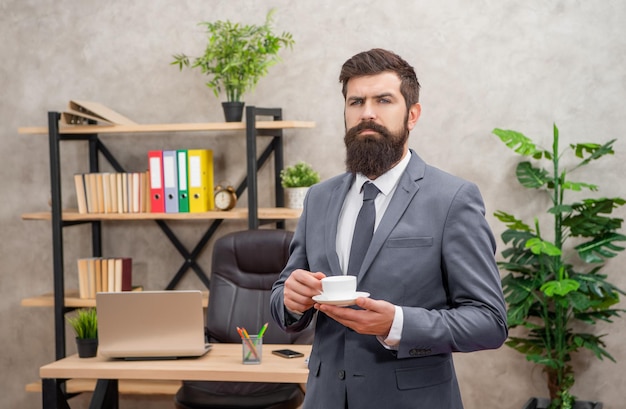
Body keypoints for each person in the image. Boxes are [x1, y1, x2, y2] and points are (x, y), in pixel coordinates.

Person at [270, 48, 507, 409]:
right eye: (356, 102)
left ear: (412, 114)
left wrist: (396, 324)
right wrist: (290, 301)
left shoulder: (452, 199)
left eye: (383, 100)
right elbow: (282, 296)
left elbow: (489, 322)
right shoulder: (318, 198)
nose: (367, 113)